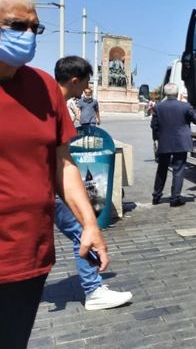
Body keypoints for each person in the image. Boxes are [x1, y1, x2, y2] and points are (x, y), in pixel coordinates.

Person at [0, 0, 109, 348]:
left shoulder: (44, 87)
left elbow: (63, 164)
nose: (28, 35)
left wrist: (90, 224)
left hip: (29, 256)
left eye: (35, 28)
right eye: (17, 25)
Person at [54, 56, 132, 310]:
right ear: (75, 81)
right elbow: (63, 162)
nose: (88, 86)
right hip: (46, 187)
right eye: (87, 81)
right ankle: (93, 289)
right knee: (82, 232)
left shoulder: (51, 103)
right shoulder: (57, 106)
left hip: (39, 187)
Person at [151, 82, 196, 207]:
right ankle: (175, 198)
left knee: (161, 169)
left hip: (164, 143)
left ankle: (156, 196)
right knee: (178, 170)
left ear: (165, 93)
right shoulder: (185, 106)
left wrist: (156, 139)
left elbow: (154, 126)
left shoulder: (158, 107)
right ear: (177, 93)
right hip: (181, 143)